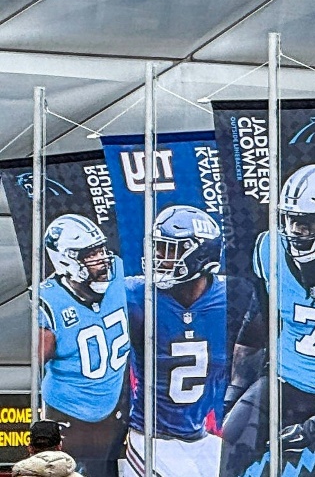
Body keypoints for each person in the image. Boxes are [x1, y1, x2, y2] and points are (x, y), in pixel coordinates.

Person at [219, 165, 315, 477]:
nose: (296, 230)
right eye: (291, 219)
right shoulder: (269, 248)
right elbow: (256, 324)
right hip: (283, 385)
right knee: (232, 442)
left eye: (308, 222)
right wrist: (237, 387)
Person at [124, 204, 228, 477]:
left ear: (200, 254)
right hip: (151, 436)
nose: (158, 256)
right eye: (157, 247)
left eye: (168, 249)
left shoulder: (231, 299)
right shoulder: (135, 295)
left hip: (202, 435)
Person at [36, 214, 128, 476]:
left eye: (101, 250)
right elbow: (35, 363)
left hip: (112, 410)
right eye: (91, 254)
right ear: (66, 259)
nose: (101, 259)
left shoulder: (119, 271)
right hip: (69, 417)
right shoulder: (49, 302)